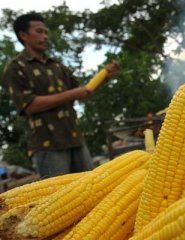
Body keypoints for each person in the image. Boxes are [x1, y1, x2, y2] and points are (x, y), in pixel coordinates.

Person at [2, 12, 119, 178]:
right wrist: (71, 94)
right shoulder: (16, 68)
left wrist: (104, 77)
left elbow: (83, 92)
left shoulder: (57, 66)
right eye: (39, 31)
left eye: (46, 32)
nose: (45, 36)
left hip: (75, 138)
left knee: (90, 190)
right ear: (23, 35)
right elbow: (29, 105)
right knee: (59, 197)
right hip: (48, 144)